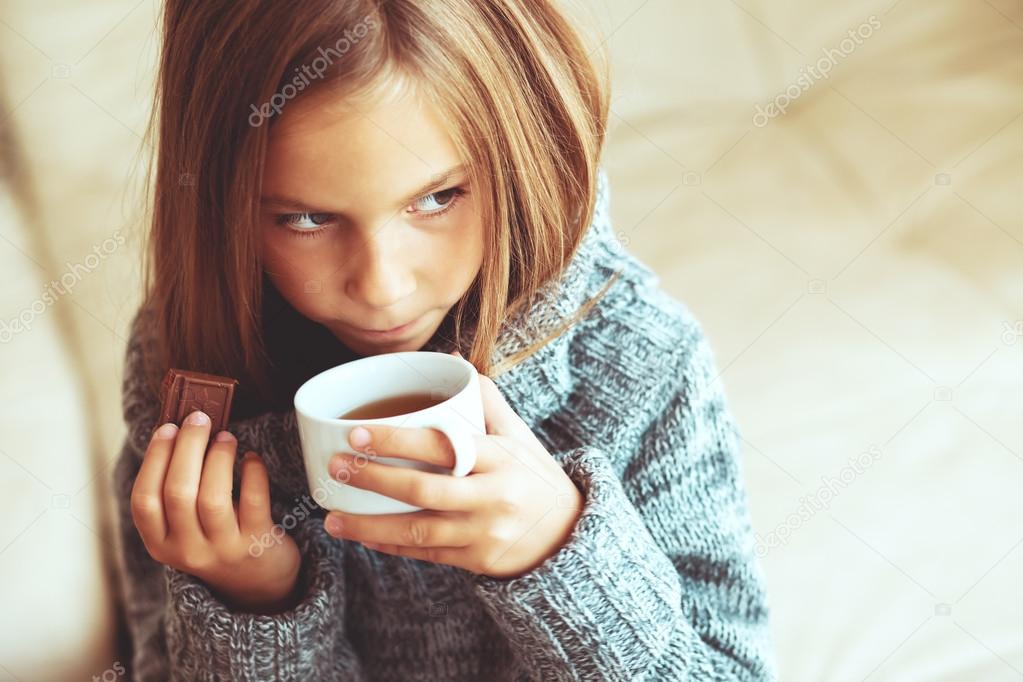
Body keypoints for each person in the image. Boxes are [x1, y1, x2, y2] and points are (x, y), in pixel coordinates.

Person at [111, 1, 776, 679]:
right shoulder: (193, 392)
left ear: (529, 154)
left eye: (437, 198)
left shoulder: (641, 364)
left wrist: (560, 554)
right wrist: (254, 604)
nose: (382, 287)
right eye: (305, 218)